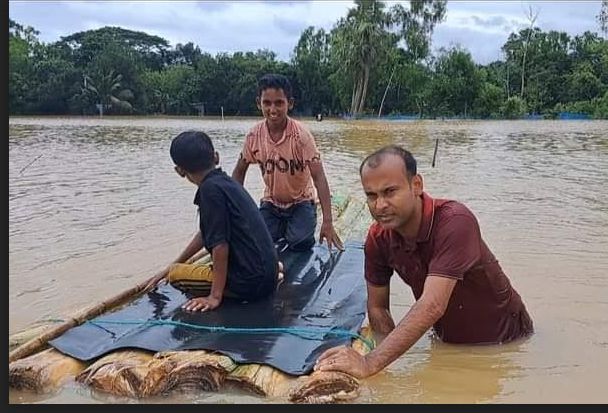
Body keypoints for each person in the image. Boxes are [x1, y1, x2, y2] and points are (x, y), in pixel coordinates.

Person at [315, 145, 533, 378]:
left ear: (416, 185)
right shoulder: (378, 239)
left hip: (505, 346)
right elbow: (378, 307)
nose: (379, 206)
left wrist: (369, 363)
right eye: (371, 195)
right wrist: (390, 366)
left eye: (389, 192)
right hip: (446, 343)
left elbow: (432, 305)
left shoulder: (455, 221)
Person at [146, 130, 282, 312]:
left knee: (176, 275)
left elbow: (220, 246)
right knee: (176, 267)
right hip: (267, 274)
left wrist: (214, 296)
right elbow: (206, 233)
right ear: (216, 157)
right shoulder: (227, 183)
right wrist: (176, 262)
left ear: (179, 171)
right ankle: (272, 270)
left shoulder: (210, 191)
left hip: (251, 284)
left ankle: (228, 287)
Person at [231, 73, 343, 252]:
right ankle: (280, 227)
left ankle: (296, 225)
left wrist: (328, 222)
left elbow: (319, 177)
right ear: (258, 103)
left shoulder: (301, 136)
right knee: (256, 242)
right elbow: (239, 172)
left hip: (301, 202)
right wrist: (234, 210)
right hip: (271, 203)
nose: (272, 110)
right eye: (267, 103)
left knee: (300, 242)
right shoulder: (254, 136)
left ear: (289, 103)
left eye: (279, 103)